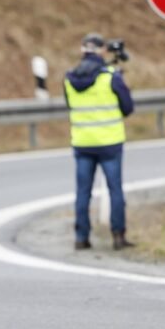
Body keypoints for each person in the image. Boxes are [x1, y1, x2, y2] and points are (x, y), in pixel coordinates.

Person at [64, 33, 135, 251]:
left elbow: (70, 106)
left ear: (83, 50)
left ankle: (81, 237)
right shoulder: (111, 76)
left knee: (83, 192)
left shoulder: (69, 78)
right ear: (102, 51)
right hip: (110, 143)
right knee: (115, 190)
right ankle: (118, 236)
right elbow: (128, 108)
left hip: (83, 142)